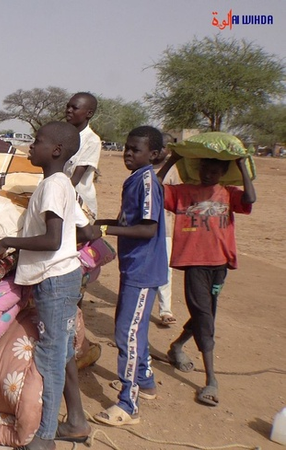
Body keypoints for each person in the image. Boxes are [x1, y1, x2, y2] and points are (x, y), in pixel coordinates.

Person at [0, 121, 95, 450]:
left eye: (38, 141)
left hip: (56, 281)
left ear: (57, 150)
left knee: (49, 356)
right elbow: (87, 230)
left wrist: (7, 240)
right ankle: (75, 421)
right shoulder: (59, 184)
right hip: (60, 279)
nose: (31, 146)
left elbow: (51, 239)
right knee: (60, 353)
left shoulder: (52, 186)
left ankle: (45, 437)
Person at [157, 152, 256, 407]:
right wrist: (173, 160)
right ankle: (211, 379)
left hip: (219, 263)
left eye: (214, 171)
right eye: (204, 169)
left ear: (223, 172)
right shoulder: (182, 192)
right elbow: (154, 188)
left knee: (207, 312)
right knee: (204, 315)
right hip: (193, 262)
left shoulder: (229, 192)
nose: (208, 174)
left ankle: (177, 346)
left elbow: (251, 198)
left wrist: (242, 166)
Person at [92, 126, 168, 427]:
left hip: (143, 269)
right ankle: (145, 382)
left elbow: (147, 228)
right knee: (134, 328)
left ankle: (128, 403)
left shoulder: (148, 181)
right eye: (126, 147)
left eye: (136, 150)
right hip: (134, 265)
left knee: (127, 332)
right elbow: (128, 222)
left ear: (153, 155)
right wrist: (98, 223)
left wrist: (104, 230)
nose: (128, 153)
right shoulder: (135, 179)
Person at [152, 133, 179, 327]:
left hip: (166, 227)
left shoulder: (174, 171)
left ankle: (165, 309)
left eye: (164, 147)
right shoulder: (142, 166)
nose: (161, 150)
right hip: (145, 226)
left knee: (166, 269)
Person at [64, 92, 101, 219]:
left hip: (80, 204)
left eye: (75, 108)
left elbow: (74, 179)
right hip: (62, 196)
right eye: (68, 106)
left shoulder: (92, 141)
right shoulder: (62, 136)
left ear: (89, 113)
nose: (69, 110)